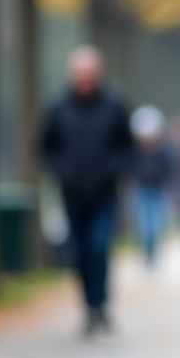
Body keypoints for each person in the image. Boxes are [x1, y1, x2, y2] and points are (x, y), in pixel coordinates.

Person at [39, 45, 134, 336]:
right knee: (79, 252)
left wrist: (112, 170)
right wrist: (62, 170)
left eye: (89, 75)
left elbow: (127, 146)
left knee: (99, 247)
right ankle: (88, 307)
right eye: (80, 75)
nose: (85, 81)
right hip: (72, 194)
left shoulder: (115, 104)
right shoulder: (58, 106)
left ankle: (100, 306)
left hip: (104, 193)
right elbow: (44, 147)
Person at [129, 105, 171, 267]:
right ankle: (146, 252)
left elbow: (169, 169)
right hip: (140, 189)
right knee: (143, 225)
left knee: (155, 224)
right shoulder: (134, 151)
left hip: (158, 189)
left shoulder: (162, 151)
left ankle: (153, 253)